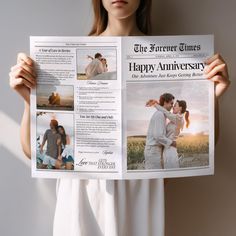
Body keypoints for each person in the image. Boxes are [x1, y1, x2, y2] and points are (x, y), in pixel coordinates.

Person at [9, 0, 230, 235]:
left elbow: (204, 150)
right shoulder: (66, 55)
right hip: (82, 192)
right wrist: (28, 101)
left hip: (141, 191)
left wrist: (212, 97)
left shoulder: (169, 55)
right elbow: (32, 152)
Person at [147, 98, 190, 169]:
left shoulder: (178, 119)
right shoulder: (175, 119)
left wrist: (155, 104)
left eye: (175, 105)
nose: (173, 107)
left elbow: (166, 113)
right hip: (168, 147)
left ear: (180, 108)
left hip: (170, 149)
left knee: (171, 171)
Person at [144, 93, 176, 169]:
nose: (172, 105)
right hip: (153, 150)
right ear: (165, 102)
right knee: (154, 174)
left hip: (154, 150)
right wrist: (171, 143)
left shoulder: (161, 114)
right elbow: (158, 136)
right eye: (171, 103)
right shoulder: (160, 115)